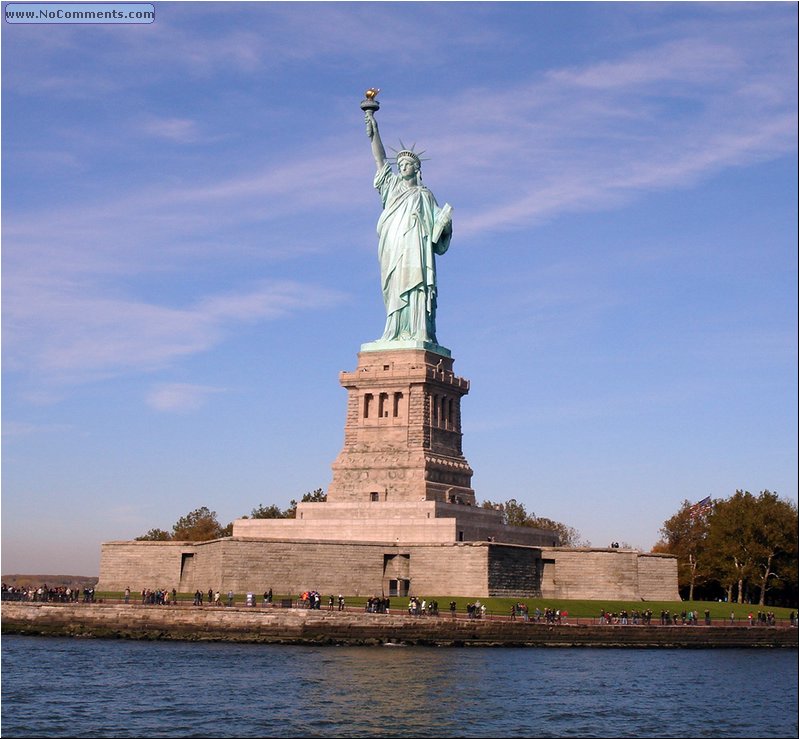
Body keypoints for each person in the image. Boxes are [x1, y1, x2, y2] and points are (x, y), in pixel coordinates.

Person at [364, 105, 452, 345]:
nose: (402, 166)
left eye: (407, 164)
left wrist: (444, 225)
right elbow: (380, 160)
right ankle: (393, 331)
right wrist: (374, 132)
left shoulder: (425, 195)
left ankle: (418, 331)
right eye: (400, 163)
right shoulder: (391, 187)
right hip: (393, 245)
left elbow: (438, 232)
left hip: (416, 249)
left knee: (417, 286)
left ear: (417, 168)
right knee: (394, 287)